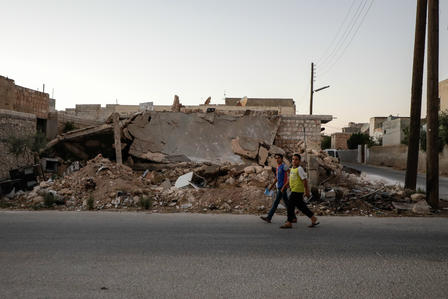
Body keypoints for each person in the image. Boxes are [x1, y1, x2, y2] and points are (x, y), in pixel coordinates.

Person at [280, 153, 319, 229]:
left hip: (297, 191)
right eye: (293, 159)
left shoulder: (300, 169)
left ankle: (289, 222)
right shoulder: (292, 169)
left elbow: (304, 180)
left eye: (296, 159)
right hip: (294, 190)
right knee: (301, 206)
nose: (294, 161)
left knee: (290, 205)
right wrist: (284, 186)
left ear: (299, 161)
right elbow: (289, 179)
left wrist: (306, 191)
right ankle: (313, 218)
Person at [260, 154, 296, 223]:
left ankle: (269, 217)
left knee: (276, 203)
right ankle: (293, 217)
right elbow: (277, 178)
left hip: (283, 187)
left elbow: (291, 173)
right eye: (276, 158)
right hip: (279, 187)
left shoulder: (284, 166)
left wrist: (288, 184)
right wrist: (271, 187)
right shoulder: (278, 167)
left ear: (282, 159)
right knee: (286, 203)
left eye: (279, 158)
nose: (277, 159)